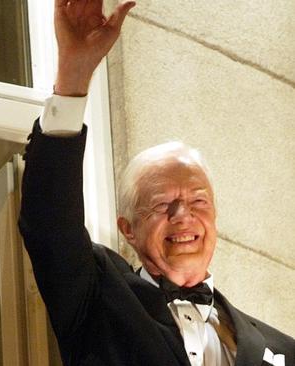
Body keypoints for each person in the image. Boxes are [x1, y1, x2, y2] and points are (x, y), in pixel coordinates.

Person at [18, 1, 295, 365]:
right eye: (163, 204)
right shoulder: (98, 297)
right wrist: (74, 74)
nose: (184, 216)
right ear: (128, 229)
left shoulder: (283, 349)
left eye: (198, 202)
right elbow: (48, 223)